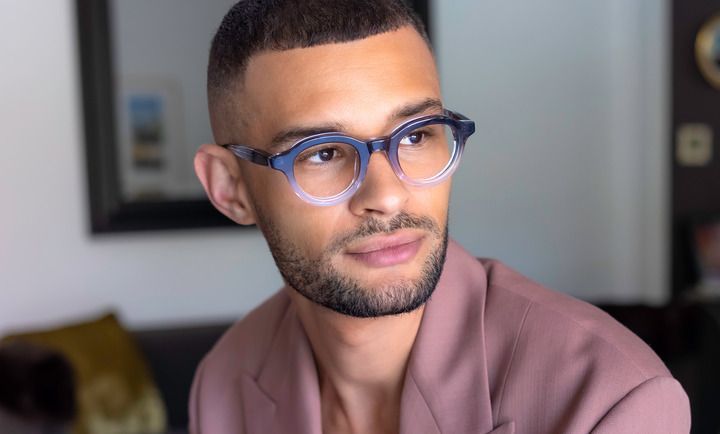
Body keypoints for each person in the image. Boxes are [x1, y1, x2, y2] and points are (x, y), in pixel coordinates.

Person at [189, 1, 690, 433]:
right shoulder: (222, 385)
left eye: (415, 135)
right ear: (230, 188)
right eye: (321, 153)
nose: (387, 196)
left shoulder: (610, 400)